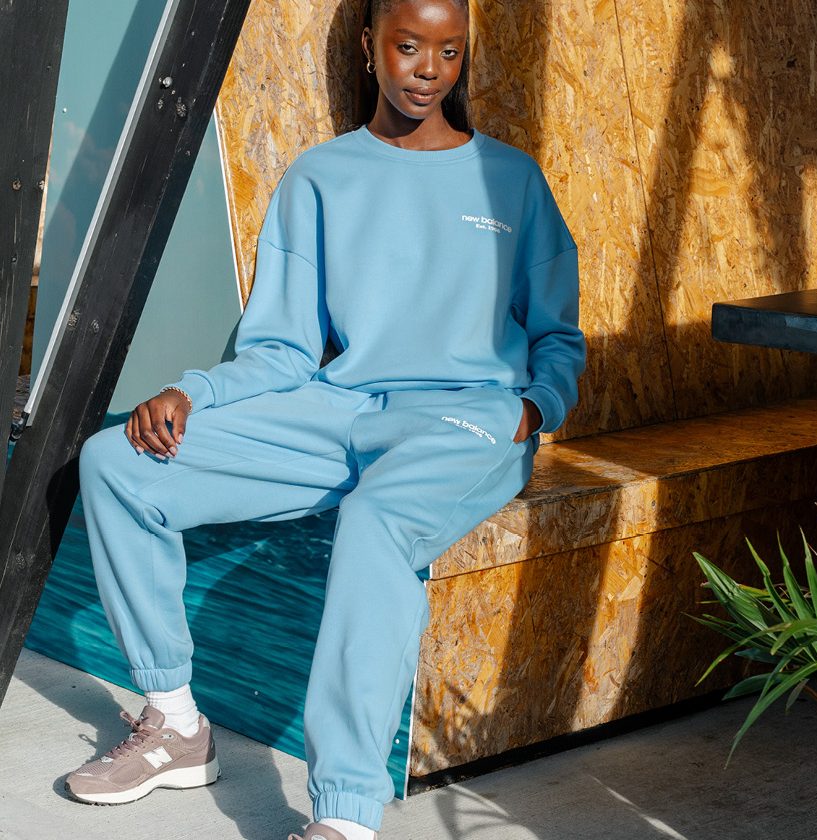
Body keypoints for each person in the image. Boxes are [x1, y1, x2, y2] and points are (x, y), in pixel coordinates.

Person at [64, 0, 585, 837]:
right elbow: (282, 348)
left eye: (449, 51)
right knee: (117, 462)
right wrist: (193, 393)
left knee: (376, 521)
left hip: (463, 420)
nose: (428, 69)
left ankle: (343, 817)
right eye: (408, 46)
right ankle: (175, 723)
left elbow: (558, 334)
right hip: (338, 408)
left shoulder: (510, 180)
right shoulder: (320, 177)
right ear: (371, 48)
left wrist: (533, 408)